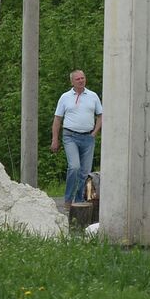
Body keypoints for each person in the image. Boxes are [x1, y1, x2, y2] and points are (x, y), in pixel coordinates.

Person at [50, 69, 104, 206]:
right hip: (70, 136)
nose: (81, 80)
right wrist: (54, 139)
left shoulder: (92, 96)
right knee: (74, 167)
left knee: (85, 172)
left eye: (83, 78)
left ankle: (79, 201)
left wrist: (94, 133)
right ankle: (68, 200)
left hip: (88, 137)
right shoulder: (65, 97)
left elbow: (101, 116)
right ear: (72, 82)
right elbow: (57, 119)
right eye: (78, 79)